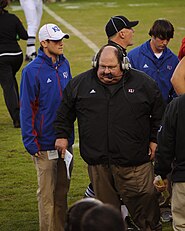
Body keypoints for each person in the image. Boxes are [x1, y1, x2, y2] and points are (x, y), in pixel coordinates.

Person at [54, 44, 165, 231]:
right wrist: (62, 135)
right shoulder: (79, 84)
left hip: (134, 164)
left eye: (111, 67)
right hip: (99, 166)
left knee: (145, 214)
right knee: (106, 220)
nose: (106, 71)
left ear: (123, 64)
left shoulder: (144, 84)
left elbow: (160, 116)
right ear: (95, 64)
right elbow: (64, 113)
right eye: (102, 66)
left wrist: (155, 140)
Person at [86, 15, 140, 231]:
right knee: (114, 181)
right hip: (112, 131)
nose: (133, 32)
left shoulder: (119, 53)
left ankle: (123, 219)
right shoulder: (111, 57)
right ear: (122, 33)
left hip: (113, 130)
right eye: (130, 28)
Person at [20, 23, 74, 231]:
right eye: (56, 40)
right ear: (44, 43)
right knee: (47, 197)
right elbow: (27, 109)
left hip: (65, 143)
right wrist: (32, 144)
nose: (61, 43)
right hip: (43, 145)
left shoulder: (65, 64)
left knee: (62, 194)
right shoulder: (31, 71)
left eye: (61, 39)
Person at [128, 19, 179, 105]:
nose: (165, 43)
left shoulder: (173, 59)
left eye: (168, 39)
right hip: (141, 110)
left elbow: (176, 88)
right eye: (161, 39)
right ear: (153, 35)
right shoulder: (134, 56)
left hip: (165, 110)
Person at [154, 94, 185, 231]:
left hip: (183, 177)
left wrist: (161, 173)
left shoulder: (177, 104)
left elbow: (165, 143)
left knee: (182, 224)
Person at [0, 0, 28, 128]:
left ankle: (17, 119)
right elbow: (24, 35)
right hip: (17, 56)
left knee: (7, 86)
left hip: (2, 58)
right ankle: (20, 113)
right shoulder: (12, 18)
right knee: (11, 81)